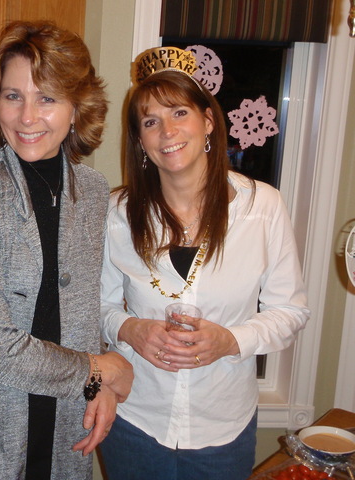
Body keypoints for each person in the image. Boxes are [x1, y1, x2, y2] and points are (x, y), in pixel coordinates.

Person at [0, 21, 133, 480]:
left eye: (47, 98)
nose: (27, 116)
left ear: (77, 108)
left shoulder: (93, 191)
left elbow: (82, 311)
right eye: (13, 96)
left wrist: (99, 385)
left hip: (64, 425)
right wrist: (98, 371)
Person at [99, 47, 310, 480]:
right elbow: (96, 307)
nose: (167, 131)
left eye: (180, 112)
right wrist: (130, 329)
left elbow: (290, 311)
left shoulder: (262, 207)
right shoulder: (116, 213)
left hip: (223, 428)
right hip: (135, 420)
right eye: (150, 121)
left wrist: (230, 340)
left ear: (208, 121)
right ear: (140, 140)